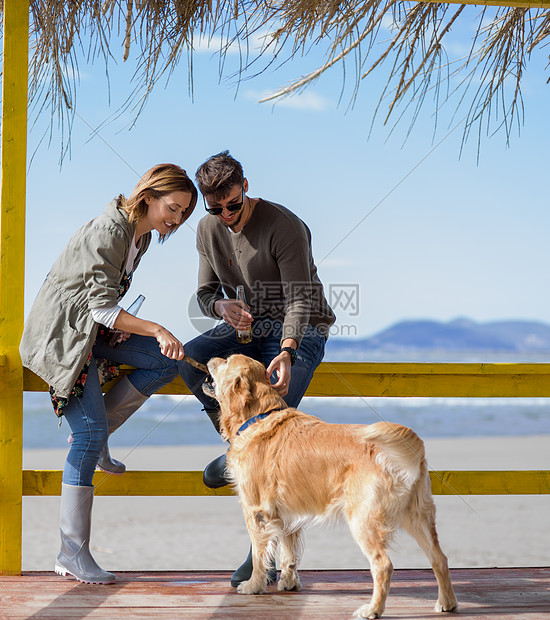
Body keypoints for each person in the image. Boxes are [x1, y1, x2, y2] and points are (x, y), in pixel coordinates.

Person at [20, 163, 197, 584]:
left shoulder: (143, 237)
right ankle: (71, 553)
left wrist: (122, 327)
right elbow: (98, 305)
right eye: (173, 208)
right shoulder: (111, 229)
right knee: (85, 436)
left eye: (184, 214)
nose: (176, 219)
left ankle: (101, 438)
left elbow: (101, 305)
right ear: (150, 196)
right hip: (63, 341)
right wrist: (154, 326)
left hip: (93, 333)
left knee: (164, 360)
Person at [178, 150, 336, 587]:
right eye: (216, 209)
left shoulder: (283, 226)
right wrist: (221, 306)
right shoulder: (209, 228)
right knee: (192, 363)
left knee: (276, 412)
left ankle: (259, 555)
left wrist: (286, 349)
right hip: (248, 328)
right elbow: (205, 293)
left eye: (232, 204)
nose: (226, 215)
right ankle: (239, 449)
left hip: (300, 329)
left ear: (244, 186)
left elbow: (300, 300)